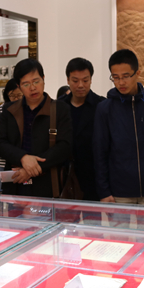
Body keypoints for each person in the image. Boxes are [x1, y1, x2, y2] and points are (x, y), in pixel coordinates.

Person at [94, 49, 144, 205]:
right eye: (115, 77)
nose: (121, 82)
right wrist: (104, 191)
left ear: (137, 73)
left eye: (126, 76)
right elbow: (100, 153)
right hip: (120, 191)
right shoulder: (104, 109)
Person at [0, 58, 72, 198]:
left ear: (43, 79)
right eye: (26, 84)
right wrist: (23, 158)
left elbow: (64, 146)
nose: (32, 88)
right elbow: (0, 143)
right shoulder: (9, 110)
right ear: (18, 86)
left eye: (36, 81)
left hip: (47, 185)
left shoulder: (60, 109)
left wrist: (31, 169)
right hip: (15, 184)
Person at [59, 57, 105, 201]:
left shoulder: (101, 105)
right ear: (67, 80)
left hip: (93, 177)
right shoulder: (59, 106)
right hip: (65, 176)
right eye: (75, 80)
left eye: (85, 80)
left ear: (91, 80)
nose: (80, 85)